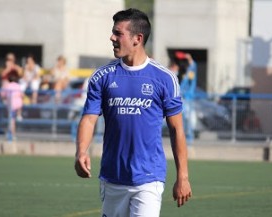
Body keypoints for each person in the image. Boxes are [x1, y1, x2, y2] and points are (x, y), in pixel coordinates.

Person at [74, 8, 192, 217]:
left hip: (149, 178)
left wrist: (182, 176)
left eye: (118, 33)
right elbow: (89, 119)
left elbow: (177, 130)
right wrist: (81, 151)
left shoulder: (165, 78)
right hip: (112, 176)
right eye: (113, 32)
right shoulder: (102, 76)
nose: (111, 38)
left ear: (138, 38)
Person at [178, 52, 197, 144]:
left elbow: (193, 67)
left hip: (188, 98)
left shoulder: (190, 72)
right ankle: (184, 138)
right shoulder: (182, 74)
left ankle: (189, 138)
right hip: (183, 98)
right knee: (183, 119)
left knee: (188, 118)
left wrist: (189, 59)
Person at [0, 71, 23, 140]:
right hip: (19, 103)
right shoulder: (18, 85)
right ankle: (19, 115)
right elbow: (22, 95)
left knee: (12, 120)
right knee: (14, 117)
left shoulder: (7, 86)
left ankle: (12, 135)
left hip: (11, 104)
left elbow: (3, 94)